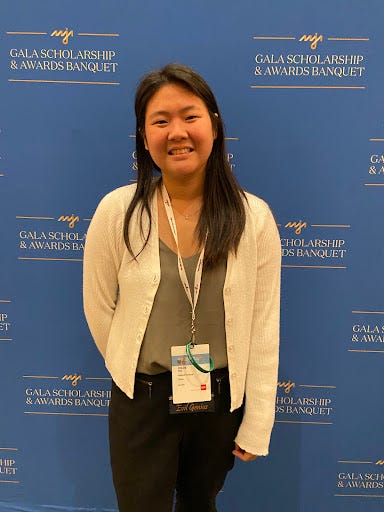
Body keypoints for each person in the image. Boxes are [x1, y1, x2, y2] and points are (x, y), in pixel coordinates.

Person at [83, 63, 281, 512]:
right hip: (142, 401)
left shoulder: (254, 219)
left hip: (217, 402)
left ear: (213, 124)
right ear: (143, 133)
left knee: (200, 504)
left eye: (190, 116)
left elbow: (264, 327)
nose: (177, 132)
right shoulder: (118, 213)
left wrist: (258, 422)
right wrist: (127, 370)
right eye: (160, 120)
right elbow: (98, 308)